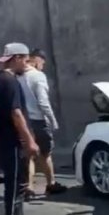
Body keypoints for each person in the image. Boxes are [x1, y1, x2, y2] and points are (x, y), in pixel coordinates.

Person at [0, 43, 40, 215]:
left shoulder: (2, 79)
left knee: (19, 183)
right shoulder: (8, 81)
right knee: (14, 185)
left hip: (11, 139)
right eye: (26, 59)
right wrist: (29, 140)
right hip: (11, 140)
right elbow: (16, 113)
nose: (27, 64)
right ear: (17, 58)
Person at [21, 48, 67, 198]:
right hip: (39, 120)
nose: (43, 66)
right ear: (36, 59)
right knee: (46, 153)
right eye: (42, 62)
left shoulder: (17, 76)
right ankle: (51, 184)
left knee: (30, 154)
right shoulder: (38, 76)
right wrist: (53, 120)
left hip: (24, 120)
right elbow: (43, 102)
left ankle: (29, 187)